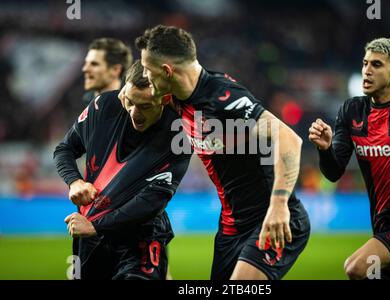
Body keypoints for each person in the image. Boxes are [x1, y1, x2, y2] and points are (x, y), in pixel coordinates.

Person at [126, 25, 310, 280]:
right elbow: (132, 95)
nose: (145, 74)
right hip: (230, 229)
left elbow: (289, 139)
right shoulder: (175, 97)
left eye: (147, 68)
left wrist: (278, 206)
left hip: (271, 219)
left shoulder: (222, 97)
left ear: (167, 71)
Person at [53, 60, 190, 279]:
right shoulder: (104, 106)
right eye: (131, 102)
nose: (135, 113)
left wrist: (96, 225)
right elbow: (64, 149)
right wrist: (75, 181)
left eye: (145, 106)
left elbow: (152, 201)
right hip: (90, 236)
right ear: (123, 92)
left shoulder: (178, 134)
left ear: (164, 99)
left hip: (139, 237)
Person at [308, 38, 390, 279]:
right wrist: (325, 149)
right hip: (381, 223)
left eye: (377, 65)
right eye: (365, 63)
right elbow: (334, 171)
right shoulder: (352, 110)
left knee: (357, 268)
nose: (367, 71)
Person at [81, 38, 133, 105]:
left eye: (94, 64)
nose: (85, 69)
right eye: (86, 63)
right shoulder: (87, 101)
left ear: (115, 70)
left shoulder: (128, 106)